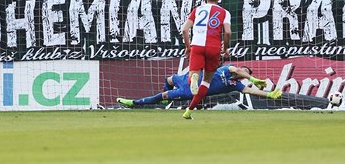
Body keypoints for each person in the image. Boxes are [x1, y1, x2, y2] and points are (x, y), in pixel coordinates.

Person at [117, 64, 282, 107]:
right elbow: (236, 69)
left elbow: (250, 91)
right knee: (169, 80)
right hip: (189, 79)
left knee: (166, 95)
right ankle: (165, 101)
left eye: (245, 72)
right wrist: (252, 77)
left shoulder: (235, 85)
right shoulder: (228, 69)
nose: (242, 71)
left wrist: (268, 94)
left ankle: (134, 103)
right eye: (243, 70)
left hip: (191, 90)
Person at [181, 0, 231, 120]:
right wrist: (225, 48)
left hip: (197, 45)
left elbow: (184, 30)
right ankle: (189, 111)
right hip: (213, 47)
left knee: (192, 76)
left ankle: (193, 79)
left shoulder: (197, 10)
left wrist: (188, 47)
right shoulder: (225, 12)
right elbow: (227, 32)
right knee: (207, 81)